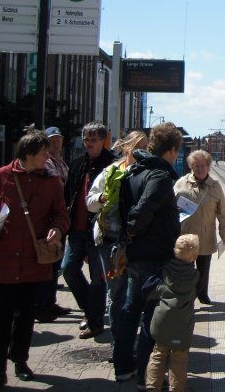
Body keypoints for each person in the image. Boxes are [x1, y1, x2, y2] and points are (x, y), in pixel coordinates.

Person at [0, 127, 70, 389]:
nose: (47, 159)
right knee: (2, 316)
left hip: (32, 258)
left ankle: (20, 360)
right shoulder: (2, 177)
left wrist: (58, 229)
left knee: (26, 313)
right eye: (42, 154)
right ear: (27, 154)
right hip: (4, 259)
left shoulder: (51, 181)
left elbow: (61, 214)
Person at [112, 122, 182, 387]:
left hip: (136, 254)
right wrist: (134, 229)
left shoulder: (134, 171)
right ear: (172, 150)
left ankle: (123, 367)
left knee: (130, 310)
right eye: (177, 151)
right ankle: (146, 377)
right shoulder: (160, 176)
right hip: (154, 255)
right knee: (151, 317)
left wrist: (130, 235)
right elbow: (142, 212)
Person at [86, 130, 148, 338]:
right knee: (116, 292)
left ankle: (129, 341)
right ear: (126, 148)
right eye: (138, 148)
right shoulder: (111, 171)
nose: (142, 152)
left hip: (136, 242)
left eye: (145, 148)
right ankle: (118, 344)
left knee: (135, 293)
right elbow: (90, 202)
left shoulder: (148, 174)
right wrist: (103, 197)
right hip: (110, 241)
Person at [62, 122, 115, 339]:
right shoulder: (76, 164)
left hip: (98, 230)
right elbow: (67, 195)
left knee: (97, 278)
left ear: (103, 141)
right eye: (86, 140)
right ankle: (91, 310)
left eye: (93, 140)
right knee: (68, 269)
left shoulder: (112, 165)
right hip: (76, 228)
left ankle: (95, 323)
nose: (89, 144)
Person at [144, 233, 200, 392]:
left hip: (161, 325)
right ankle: (177, 388)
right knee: (179, 360)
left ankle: (152, 386)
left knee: (157, 355)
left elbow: (153, 292)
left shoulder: (165, 273)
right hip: (182, 328)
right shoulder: (195, 276)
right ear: (195, 256)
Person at [174, 150, 225, 304]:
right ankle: (187, 296)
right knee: (186, 270)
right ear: (191, 167)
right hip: (185, 236)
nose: (199, 169)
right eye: (195, 166)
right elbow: (170, 208)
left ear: (208, 167)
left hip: (206, 236)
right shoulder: (181, 184)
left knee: (203, 269)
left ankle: (202, 294)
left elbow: (223, 213)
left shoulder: (215, 186)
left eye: (202, 166)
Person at [34, 126, 72, 323]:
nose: (56, 143)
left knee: (55, 264)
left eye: (58, 139)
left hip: (60, 218)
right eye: (52, 140)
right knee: (50, 263)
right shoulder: (47, 163)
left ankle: (49, 302)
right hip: (51, 221)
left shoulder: (60, 161)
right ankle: (43, 305)